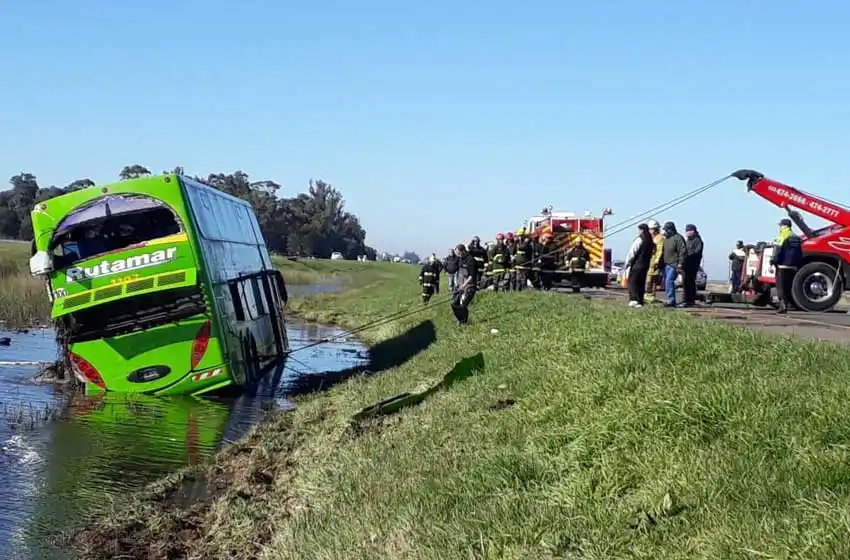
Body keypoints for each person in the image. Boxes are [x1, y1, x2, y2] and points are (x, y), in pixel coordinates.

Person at [770, 218, 802, 314]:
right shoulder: (797, 237)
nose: (779, 227)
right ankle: (789, 304)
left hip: (782, 266)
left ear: (784, 226)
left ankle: (783, 306)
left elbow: (778, 250)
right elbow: (800, 253)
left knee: (781, 286)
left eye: (780, 225)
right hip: (793, 266)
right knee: (788, 286)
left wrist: (773, 261)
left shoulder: (782, 235)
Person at [624, 223, 656, 307]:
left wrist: (627, 263)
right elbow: (654, 251)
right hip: (645, 265)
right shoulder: (650, 240)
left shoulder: (640, 239)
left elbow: (632, 252)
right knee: (641, 283)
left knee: (633, 281)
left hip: (637, 264)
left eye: (638, 230)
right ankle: (640, 300)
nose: (637, 232)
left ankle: (634, 299)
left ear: (641, 230)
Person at [451, 244, 479, 325]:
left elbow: (471, 276)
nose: (458, 256)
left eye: (459, 253)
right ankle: (459, 320)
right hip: (460, 285)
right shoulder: (460, 259)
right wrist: (458, 284)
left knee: (463, 305)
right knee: (455, 304)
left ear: (463, 251)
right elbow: (459, 272)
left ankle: (464, 322)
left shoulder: (471, 260)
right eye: (457, 254)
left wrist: (464, 285)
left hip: (469, 286)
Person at [660, 221, 687, 308]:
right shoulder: (666, 239)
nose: (665, 232)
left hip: (674, 264)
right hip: (665, 264)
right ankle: (670, 299)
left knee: (669, 281)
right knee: (666, 282)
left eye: (667, 230)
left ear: (671, 230)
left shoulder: (678, 238)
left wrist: (680, 263)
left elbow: (682, 251)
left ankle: (671, 301)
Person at [682, 224, 704, 307]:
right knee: (685, 282)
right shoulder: (688, 241)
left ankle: (691, 300)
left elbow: (697, 253)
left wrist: (688, 255)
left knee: (690, 282)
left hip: (693, 264)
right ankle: (687, 299)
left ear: (692, 231)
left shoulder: (698, 241)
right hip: (686, 264)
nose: (686, 233)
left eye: (688, 231)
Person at [645, 219, 664, 303]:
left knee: (652, 279)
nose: (649, 231)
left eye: (651, 229)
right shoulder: (650, 237)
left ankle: (651, 295)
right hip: (649, 260)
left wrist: (657, 261)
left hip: (654, 262)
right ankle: (647, 294)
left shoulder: (659, 238)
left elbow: (659, 251)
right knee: (648, 278)